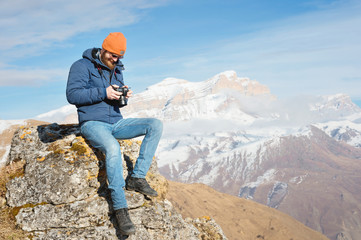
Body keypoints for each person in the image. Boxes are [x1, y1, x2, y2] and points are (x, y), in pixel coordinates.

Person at [66, 32, 163, 236]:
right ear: (103, 49)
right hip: (92, 123)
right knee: (112, 147)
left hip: (116, 123)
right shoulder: (81, 66)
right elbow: (72, 95)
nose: (116, 60)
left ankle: (136, 178)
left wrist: (122, 96)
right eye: (112, 55)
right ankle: (120, 208)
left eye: (119, 57)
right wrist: (103, 92)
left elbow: (115, 99)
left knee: (155, 124)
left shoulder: (117, 69)